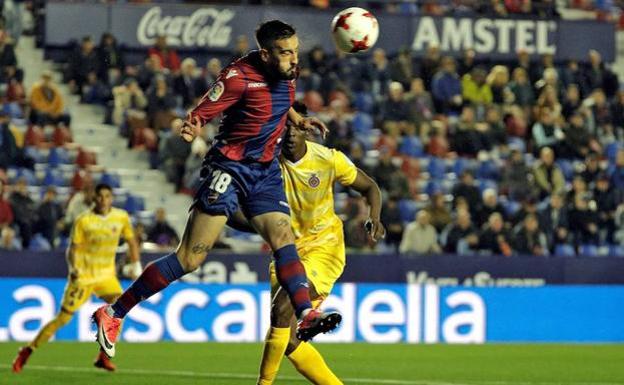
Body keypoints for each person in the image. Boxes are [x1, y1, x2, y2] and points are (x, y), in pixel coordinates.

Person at [92, 20, 339, 359]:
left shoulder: (287, 72)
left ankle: (305, 314)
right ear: (266, 54)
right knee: (190, 258)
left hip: (264, 172)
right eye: (285, 53)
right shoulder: (238, 78)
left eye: (295, 51)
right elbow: (203, 109)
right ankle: (114, 312)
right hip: (229, 169)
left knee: (283, 236)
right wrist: (193, 126)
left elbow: (282, 103)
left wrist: (298, 120)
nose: (293, 59)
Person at [226, 101, 384, 385]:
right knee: (287, 340)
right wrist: (232, 212)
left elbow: (369, 186)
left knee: (284, 304)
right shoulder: (265, 167)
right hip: (285, 252)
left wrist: (375, 217)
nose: (288, 133)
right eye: (282, 127)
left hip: (324, 248)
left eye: (293, 127)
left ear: (305, 127)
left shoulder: (328, 159)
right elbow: (239, 216)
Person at [12, 183, 142, 373]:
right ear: (94, 198)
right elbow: (73, 249)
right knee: (62, 319)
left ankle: (103, 357)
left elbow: (131, 240)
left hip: (107, 276)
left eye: (107, 196)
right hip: (84, 276)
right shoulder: (84, 220)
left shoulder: (121, 217)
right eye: (100, 196)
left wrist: (136, 263)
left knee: (119, 311)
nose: (103, 200)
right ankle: (27, 350)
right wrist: (74, 269)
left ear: (111, 198)